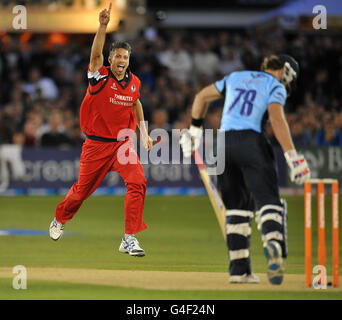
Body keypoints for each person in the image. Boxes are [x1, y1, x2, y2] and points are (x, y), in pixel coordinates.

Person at [181, 54, 311, 285]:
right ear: (285, 71)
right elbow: (276, 119)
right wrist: (293, 156)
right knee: (269, 202)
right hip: (252, 142)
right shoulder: (275, 86)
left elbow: (201, 97)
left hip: (223, 145)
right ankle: (273, 242)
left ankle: (239, 271)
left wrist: (194, 131)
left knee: (236, 209)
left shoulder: (235, 76)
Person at [49, 3, 153, 257]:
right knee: (81, 192)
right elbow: (94, 56)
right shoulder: (100, 76)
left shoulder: (134, 82)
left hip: (122, 144)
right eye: (117, 56)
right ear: (110, 59)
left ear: (129, 62)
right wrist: (102, 26)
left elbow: (136, 101)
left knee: (138, 182)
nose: (121, 60)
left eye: (125, 57)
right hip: (96, 145)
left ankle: (129, 238)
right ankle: (60, 218)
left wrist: (144, 130)